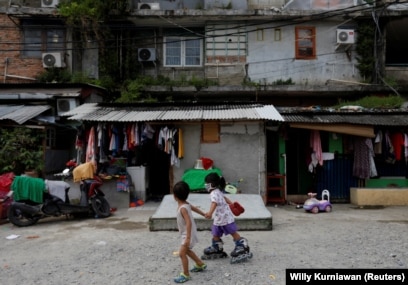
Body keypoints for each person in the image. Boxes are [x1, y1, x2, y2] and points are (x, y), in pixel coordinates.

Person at [203, 172, 250, 262]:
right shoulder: (218, 191)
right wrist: (232, 204)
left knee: (232, 232)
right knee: (215, 233)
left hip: (224, 217)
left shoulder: (213, 193)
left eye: (206, 183)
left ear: (212, 184)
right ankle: (217, 247)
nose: (205, 185)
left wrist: (209, 213)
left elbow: (214, 203)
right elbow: (225, 198)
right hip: (220, 218)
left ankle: (242, 245)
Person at [173, 181, 207, 283]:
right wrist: (204, 214)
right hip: (188, 233)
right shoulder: (185, 204)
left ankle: (186, 274)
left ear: (175, 196)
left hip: (188, 234)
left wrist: (187, 238)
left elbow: (188, 223)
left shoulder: (182, 208)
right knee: (187, 250)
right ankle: (200, 264)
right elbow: (194, 208)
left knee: (182, 253)